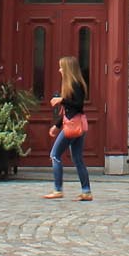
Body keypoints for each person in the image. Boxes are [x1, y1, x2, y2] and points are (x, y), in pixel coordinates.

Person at [42, 54, 93, 201]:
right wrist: (56, 126)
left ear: (67, 69)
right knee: (77, 158)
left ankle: (58, 189)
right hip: (76, 125)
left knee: (55, 155)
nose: (59, 70)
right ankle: (86, 191)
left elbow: (78, 105)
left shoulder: (76, 85)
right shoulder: (72, 85)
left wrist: (61, 100)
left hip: (73, 127)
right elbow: (67, 111)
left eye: (61, 67)